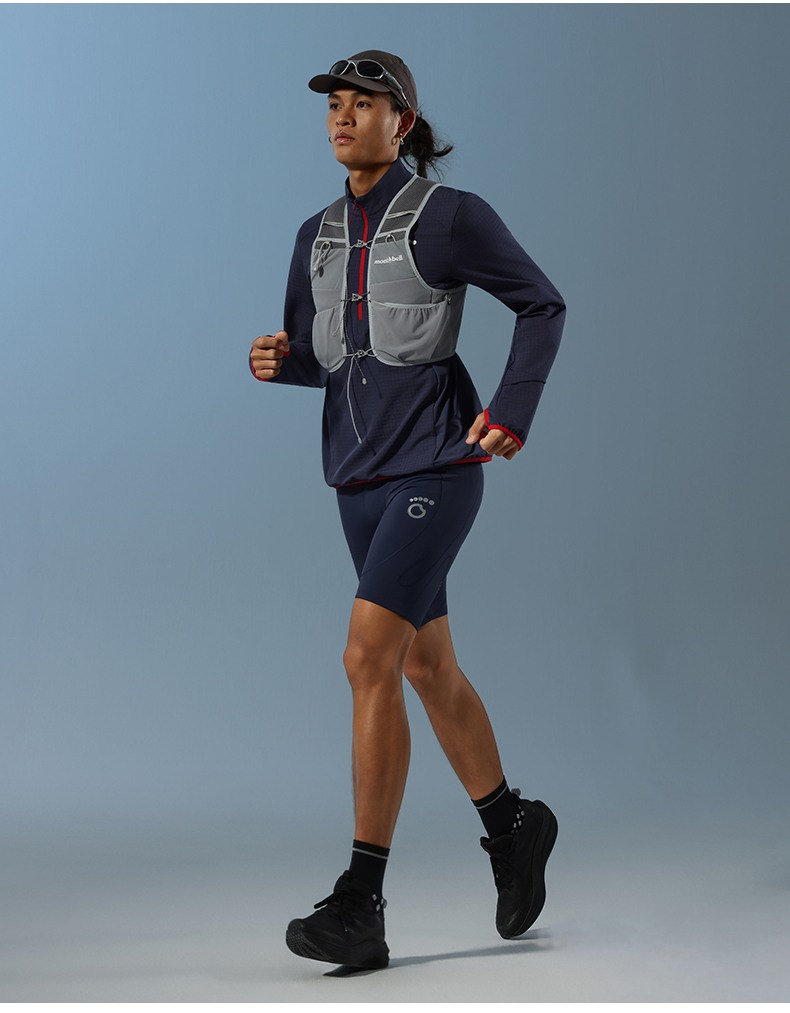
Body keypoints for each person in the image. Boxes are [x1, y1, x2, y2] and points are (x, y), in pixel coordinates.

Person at [250, 51, 566, 971]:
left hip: (436, 467)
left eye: (365, 104)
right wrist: (282, 361)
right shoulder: (314, 234)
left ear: (405, 122)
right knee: (427, 665)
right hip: (356, 480)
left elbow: (541, 304)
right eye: (336, 107)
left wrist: (512, 409)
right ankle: (513, 825)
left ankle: (361, 900)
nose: (344, 118)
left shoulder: (450, 216)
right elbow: (330, 354)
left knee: (366, 657)